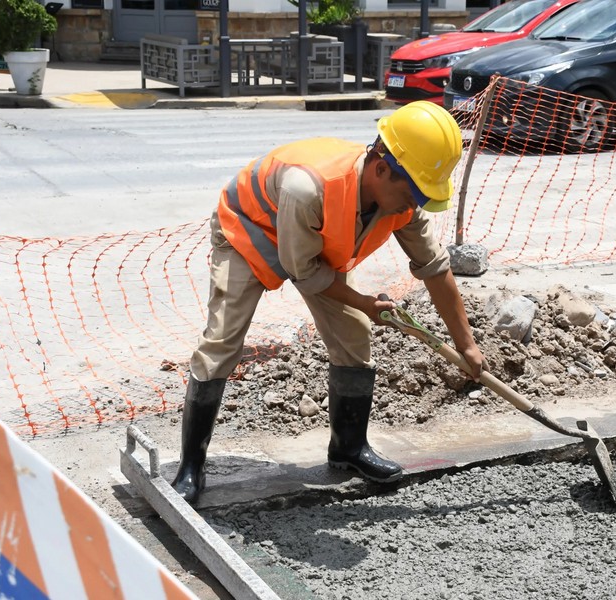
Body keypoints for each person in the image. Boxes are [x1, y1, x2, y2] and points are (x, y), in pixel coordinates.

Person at [172, 101, 489, 504]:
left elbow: (435, 267)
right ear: (380, 167)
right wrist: (363, 301)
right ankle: (191, 468)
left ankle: (348, 449)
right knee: (222, 341)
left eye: (423, 197)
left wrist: (466, 344)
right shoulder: (309, 186)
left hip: (312, 242)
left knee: (354, 338)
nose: (414, 205)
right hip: (250, 231)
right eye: (412, 193)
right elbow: (303, 272)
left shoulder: (403, 202)